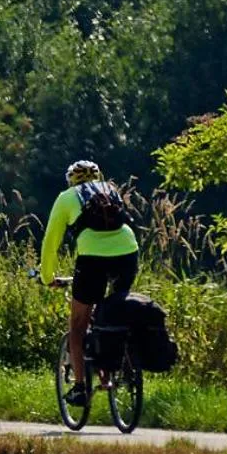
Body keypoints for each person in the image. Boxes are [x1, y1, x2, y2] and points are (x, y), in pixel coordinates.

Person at [40, 159, 139, 407]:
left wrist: (47, 277)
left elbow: (51, 242)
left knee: (77, 324)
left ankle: (80, 388)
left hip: (92, 259)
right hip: (128, 252)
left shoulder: (66, 197)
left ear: (71, 180)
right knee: (114, 310)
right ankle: (117, 367)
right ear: (98, 177)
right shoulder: (111, 190)